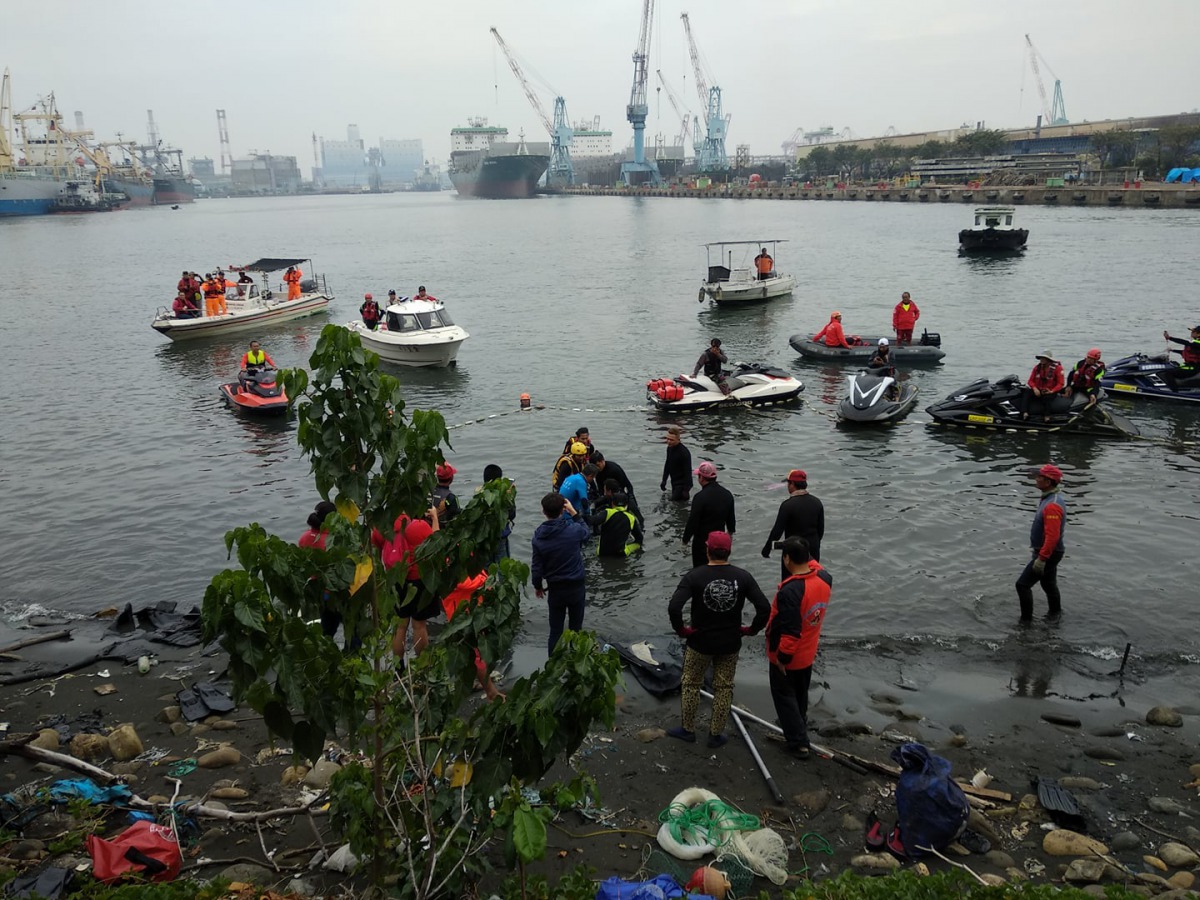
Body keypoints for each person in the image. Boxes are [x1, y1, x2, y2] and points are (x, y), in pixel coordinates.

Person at [667, 531, 770, 748]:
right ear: (729, 551)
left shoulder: (694, 576)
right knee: (724, 687)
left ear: (707, 551)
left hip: (699, 642)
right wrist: (751, 630)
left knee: (691, 684)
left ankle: (688, 729)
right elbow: (764, 608)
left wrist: (682, 630)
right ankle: (715, 734)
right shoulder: (743, 577)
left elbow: (675, 606)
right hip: (730, 642)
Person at [766, 537, 833, 760]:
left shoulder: (790, 592)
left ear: (787, 559)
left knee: (784, 696)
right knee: (800, 693)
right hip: (808, 652)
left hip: (789, 655)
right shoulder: (824, 579)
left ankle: (799, 743)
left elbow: (791, 631)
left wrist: (781, 658)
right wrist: (800, 546)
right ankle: (800, 723)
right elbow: (815, 565)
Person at [372, 506, 440, 666]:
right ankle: (423, 666)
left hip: (396, 579)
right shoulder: (418, 525)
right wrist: (435, 518)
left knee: (400, 626)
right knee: (419, 625)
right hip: (418, 579)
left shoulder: (384, 525)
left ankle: (398, 667)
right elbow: (437, 542)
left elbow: (375, 543)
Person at [531, 493, 591, 654]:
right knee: (576, 629)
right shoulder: (574, 530)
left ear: (544, 511)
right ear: (563, 510)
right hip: (576, 586)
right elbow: (587, 533)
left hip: (556, 588)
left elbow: (536, 568)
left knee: (555, 631)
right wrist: (574, 512)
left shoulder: (538, 537)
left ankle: (553, 667)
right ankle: (576, 665)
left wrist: (538, 586)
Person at [1016, 464, 1066, 623]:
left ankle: (1025, 624)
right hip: (1049, 551)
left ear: (1048, 482)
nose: (1036, 479)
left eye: (1039, 477)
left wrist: (1042, 559)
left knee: (1022, 585)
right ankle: (1055, 616)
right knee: (1049, 584)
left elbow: (1052, 537)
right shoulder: (1049, 498)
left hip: (1049, 552)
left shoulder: (1052, 505)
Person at [762, 469, 825, 577]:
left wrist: (767, 548)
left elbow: (777, 531)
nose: (787, 486)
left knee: (790, 582)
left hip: (793, 551)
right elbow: (820, 530)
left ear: (792, 484)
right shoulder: (817, 502)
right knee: (811, 580)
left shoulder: (787, 505)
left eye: (788, 483)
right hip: (812, 550)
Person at [682, 461, 736, 569]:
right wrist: (729, 536)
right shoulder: (727, 494)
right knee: (719, 570)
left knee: (700, 571)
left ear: (701, 478)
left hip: (702, 543)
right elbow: (731, 521)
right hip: (720, 542)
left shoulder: (700, 497)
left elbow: (693, 521)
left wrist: (685, 540)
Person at [588, 491, 644, 557]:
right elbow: (639, 538)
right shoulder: (631, 518)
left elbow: (592, 521)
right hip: (620, 554)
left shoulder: (607, 512)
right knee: (638, 544)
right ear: (626, 505)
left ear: (612, 503)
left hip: (602, 553)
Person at [482, 464, 516, 562]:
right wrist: (511, 497)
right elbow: (512, 515)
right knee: (503, 568)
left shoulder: (480, 495)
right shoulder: (504, 498)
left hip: (485, 539)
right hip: (500, 537)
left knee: (486, 568)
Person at [1019, 351, 1065, 422]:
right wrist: (1034, 388)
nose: (1042, 360)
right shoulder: (1037, 368)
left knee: (1047, 398)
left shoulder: (1058, 368)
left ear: (1049, 360)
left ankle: (1047, 416)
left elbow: (1061, 383)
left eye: (1044, 358)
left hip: (1050, 390)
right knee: (1026, 392)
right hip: (1038, 389)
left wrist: (1052, 391)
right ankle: (1025, 413)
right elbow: (1030, 381)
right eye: (1041, 358)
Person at [660, 426, 693, 502]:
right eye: (667, 439)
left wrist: (686, 490)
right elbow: (668, 464)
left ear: (678, 440)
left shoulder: (684, 453)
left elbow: (688, 472)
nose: (668, 441)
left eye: (671, 440)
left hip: (682, 484)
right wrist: (664, 480)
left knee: (673, 503)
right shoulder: (669, 448)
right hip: (674, 481)